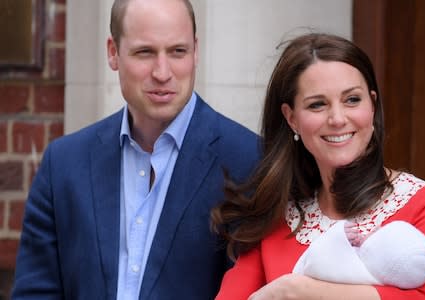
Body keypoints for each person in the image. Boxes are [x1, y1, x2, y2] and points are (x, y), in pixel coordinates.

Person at [11, 0, 260, 299]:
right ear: (113, 52)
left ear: (195, 51)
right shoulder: (63, 164)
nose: (162, 72)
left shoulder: (249, 160)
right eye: (145, 52)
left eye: (177, 51)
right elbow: (35, 292)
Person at [211, 33, 425, 300]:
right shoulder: (276, 215)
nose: (338, 118)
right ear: (292, 118)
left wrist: (296, 291)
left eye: (352, 100)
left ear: (372, 106)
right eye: (317, 104)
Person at [293, 220, 425, 289]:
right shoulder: (379, 278)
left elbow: (315, 262)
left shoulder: (353, 274)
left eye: (379, 233)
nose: (377, 227)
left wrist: (337, 237)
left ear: (373, 251)